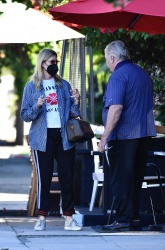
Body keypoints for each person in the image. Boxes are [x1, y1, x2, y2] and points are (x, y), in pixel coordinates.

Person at [20, 48, 82, 231]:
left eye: (57, 62)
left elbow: (73, 114)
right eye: (52, 62)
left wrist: (76, 102)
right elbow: (25, 115)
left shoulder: (63, 85)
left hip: (64, 136)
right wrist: (37, 106)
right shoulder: (31, 86)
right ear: (43, 63)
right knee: (44, 179)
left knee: (67, 177)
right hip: (42, 137)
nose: (55, 65)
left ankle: (69, 218)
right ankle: (41, 217)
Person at [98, 40, 156, 231]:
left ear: (112, 58)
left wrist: (104, 137)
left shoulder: (118, 76)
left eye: (107, 59)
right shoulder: (142, 74)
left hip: (124, 136)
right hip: (144, 134)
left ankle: (123, 219)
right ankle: (134, 218)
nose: (107, 62)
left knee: (121, 178)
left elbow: (115, 109)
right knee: (135, 178)